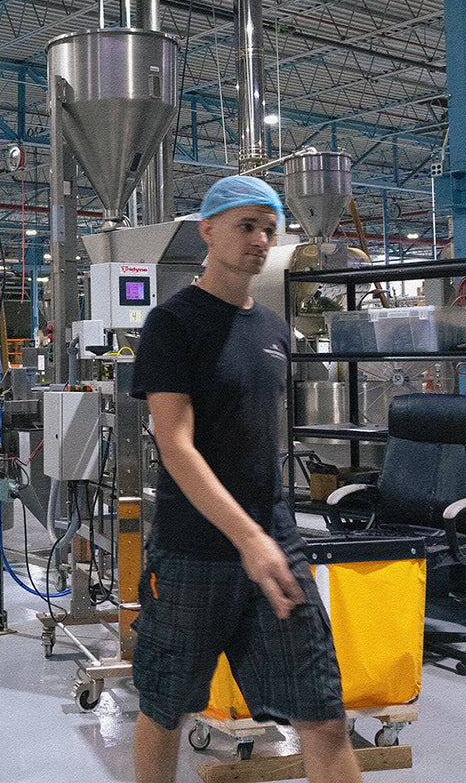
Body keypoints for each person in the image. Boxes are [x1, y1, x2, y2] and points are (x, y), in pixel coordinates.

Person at [130, 174, 363, 783]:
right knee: (164, 710)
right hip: (192, 552)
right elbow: (175, 445)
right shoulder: (172, 325)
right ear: (207, 230)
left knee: (323, 713)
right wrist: (248, 539)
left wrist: (266, 538)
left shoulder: (274, 331)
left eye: (269, 226)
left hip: (275, 543)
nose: (260, 239)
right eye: (245, 225)